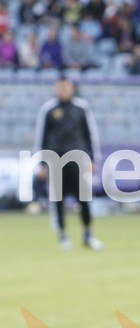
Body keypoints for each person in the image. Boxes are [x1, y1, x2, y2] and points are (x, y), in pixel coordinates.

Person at [33, 78, 103, 251]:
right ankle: (63, 236)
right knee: (58, 200)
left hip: (77, 160)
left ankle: (88, 234)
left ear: (72, 88)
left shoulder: (81, 108)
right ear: (56, 88)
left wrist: (93, 158)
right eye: (60, 86)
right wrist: (41, 163)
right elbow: (41, 137)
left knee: (84, 199)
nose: (63, 89)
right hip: (56, 160)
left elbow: (90, 134)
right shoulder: (48, 109)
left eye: (66, 86)